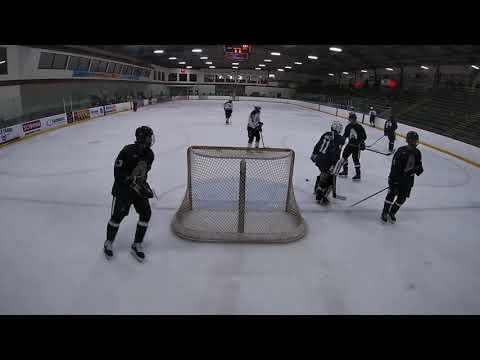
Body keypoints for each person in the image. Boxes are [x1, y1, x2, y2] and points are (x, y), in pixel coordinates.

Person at [103, 126, 155, 262]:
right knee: (118, 216)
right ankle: (108, 242)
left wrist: (144, 185)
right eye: (149, 137)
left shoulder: (150, 154)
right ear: (143, 138)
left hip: (137, 189)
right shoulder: (127, 151)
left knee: (146, 213)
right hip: (123, 189)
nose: (151, 139)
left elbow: (143, 173)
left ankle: (137, 244)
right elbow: (117, 172)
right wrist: (128, 180)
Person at [381, 131, 423, 224]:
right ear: (409, 140)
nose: (416, 142)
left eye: (416, 140)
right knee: (391, 195)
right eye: (414, 140)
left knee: (402, 198)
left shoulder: (417, 153)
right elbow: (394, 166)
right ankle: (385, 212)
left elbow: (419, 165)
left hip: (408, 181)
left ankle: (392, 212)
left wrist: (418, 169)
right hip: (396, 179)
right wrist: (394, 181)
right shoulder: (401, 151)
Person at [311, 120, 345, 204]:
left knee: (323, 173)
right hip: (328, 160)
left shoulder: (326, 134)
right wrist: (334, 164)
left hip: (319, 158)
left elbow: (318, 144)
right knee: (329, 178)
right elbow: (336, 153)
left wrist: (314, 153)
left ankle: (317, 189)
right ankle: (320, 195)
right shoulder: (340, 139)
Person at [338, 107, 367, 181]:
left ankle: (358, 174)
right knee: (344, 157)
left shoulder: (359, 127)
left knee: (355, 159)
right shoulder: (348, 126)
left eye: (352, 119)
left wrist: (361, 143)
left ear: (355, 119)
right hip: (350, 145)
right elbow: (345, 135)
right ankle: (345, 171)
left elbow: (364, 136)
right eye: (350, 119)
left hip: (356, 146)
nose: (351, 120)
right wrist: (341, 142)